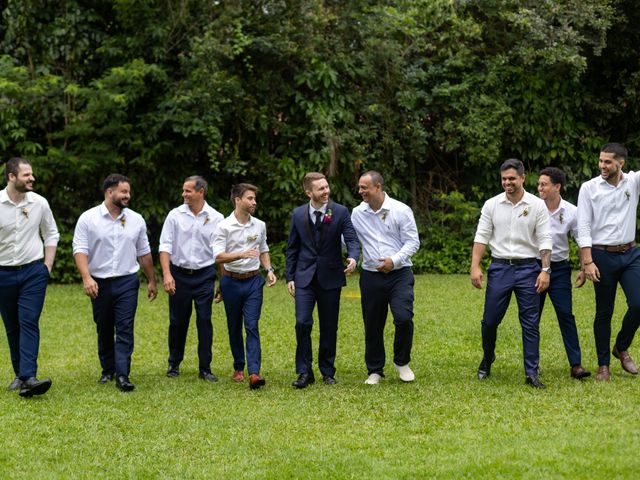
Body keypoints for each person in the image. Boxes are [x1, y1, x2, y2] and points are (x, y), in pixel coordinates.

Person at [470, 159, 552, 388]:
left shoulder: (537, 205)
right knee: (489, 321)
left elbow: (545, 239)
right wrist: (475, 266)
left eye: (512, 179)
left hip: (528, 268)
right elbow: (481, 236)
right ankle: (487, 359)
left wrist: (545, 270)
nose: (507, 182)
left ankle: (531, 372)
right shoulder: (491, 204)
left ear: (523, 178)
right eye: (504, 179)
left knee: (530, 323)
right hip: (500, 268)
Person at [73, 174, 157, 392]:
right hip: (98, 282)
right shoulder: (88, 218)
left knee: (125, 327)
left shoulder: (136, 219)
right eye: (123, 191)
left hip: (127, 282)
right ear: (109, 192)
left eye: (128, 192)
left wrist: (152, 280)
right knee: (104, 327)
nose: (127, 196)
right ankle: (107, 370)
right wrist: (86, 277)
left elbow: (144, 252)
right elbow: (80, 250)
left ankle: (122, 374)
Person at [285, 172, 359, 388]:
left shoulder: (340, 211)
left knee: (329, 326)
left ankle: (327, 371)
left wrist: (353, 257)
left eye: (327, 187)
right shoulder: (298, 214)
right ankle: (304, 372)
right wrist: (290, 276)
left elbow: (352, 239)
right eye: (321, 189)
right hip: (304, 278)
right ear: (309, 192)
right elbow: (292, 248)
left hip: (331, 277)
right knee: (302, 323)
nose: (326, 191)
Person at [577, 143, 640, 381]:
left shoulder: (633, 182)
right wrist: (587, 261)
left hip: (631, 253)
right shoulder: (589, 188)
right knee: (604, 311)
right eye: (600, 161)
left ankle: (621, 347)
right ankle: (604, 365)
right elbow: (583, 226)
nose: (602, 165)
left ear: (621, 163)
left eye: (607, 162)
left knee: (639, 304)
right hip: (601, 256)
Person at [351, 171, 420, 385]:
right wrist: (349, 257)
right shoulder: (356, 214)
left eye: (365, 187)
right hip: (371, 276)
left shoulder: (401, 210)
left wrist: (394, 260)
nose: (361, 191)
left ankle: (402, 362)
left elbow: (413, 242)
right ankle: (375, 370)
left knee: (403, 317)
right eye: (360, 187)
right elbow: (350, 241)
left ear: (378, 187)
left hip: (399, 274)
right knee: (372, 324)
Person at [0, 157, 59, 397]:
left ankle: (29, 376)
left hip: (33, 272)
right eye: (26, 175)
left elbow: (51, 233)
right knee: (12, 325)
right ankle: (20, 376)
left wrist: (47, 266)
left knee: (28, 320)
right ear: (11, 177)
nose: (32, 178)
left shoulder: (40, 203)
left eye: (31, 174)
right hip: (2, 273)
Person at [159, 176, 223, 382]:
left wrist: (223, 280)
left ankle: (205, 368)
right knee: (177, 321)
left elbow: (220, 252)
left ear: (201, 191)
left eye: (188, 191)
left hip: (205, 275)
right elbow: (165, 246)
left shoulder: (216, 218)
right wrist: (167, 274)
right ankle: (174, 363)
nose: (184, 194)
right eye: (183, 191)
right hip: (179, 274)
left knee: (204, 320)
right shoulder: (174, 215)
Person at [212, 183, 276, 390]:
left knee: (251, 324)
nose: (254, 202)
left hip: (253, 282)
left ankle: (254, 373)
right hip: (230, 281)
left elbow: (263, 249)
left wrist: (269, 270)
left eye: (255, 199)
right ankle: (238, 366)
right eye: (250, 198)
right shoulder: (223, 226)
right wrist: (240, 254)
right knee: (234, 326)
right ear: (237, 200)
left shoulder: (259, 225)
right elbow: (218, 256)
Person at [537, 167, 590, 379]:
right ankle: (532, 364)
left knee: (566, 314)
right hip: (534, 268)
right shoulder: (532, 207)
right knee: (532, 318)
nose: (539, 188)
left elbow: (581, 239)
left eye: (544, 184)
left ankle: (576, 364)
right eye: (539, 184)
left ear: (557, 187)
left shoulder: (572, 211)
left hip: (559, 269)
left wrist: (584, 266)